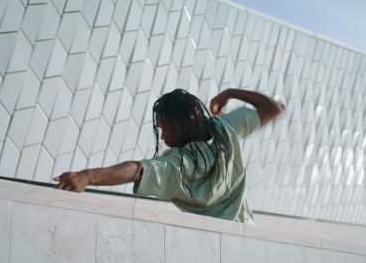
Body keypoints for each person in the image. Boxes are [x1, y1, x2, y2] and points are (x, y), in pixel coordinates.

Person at [54, 88, 283, 223]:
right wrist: (230, 93)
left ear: (190, 123)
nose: (163, 137)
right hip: (247, 233)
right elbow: (273, 108)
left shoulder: (178, 166)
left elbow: (137, 169)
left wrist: (87, 176)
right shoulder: (226, 128)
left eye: (169, 129)